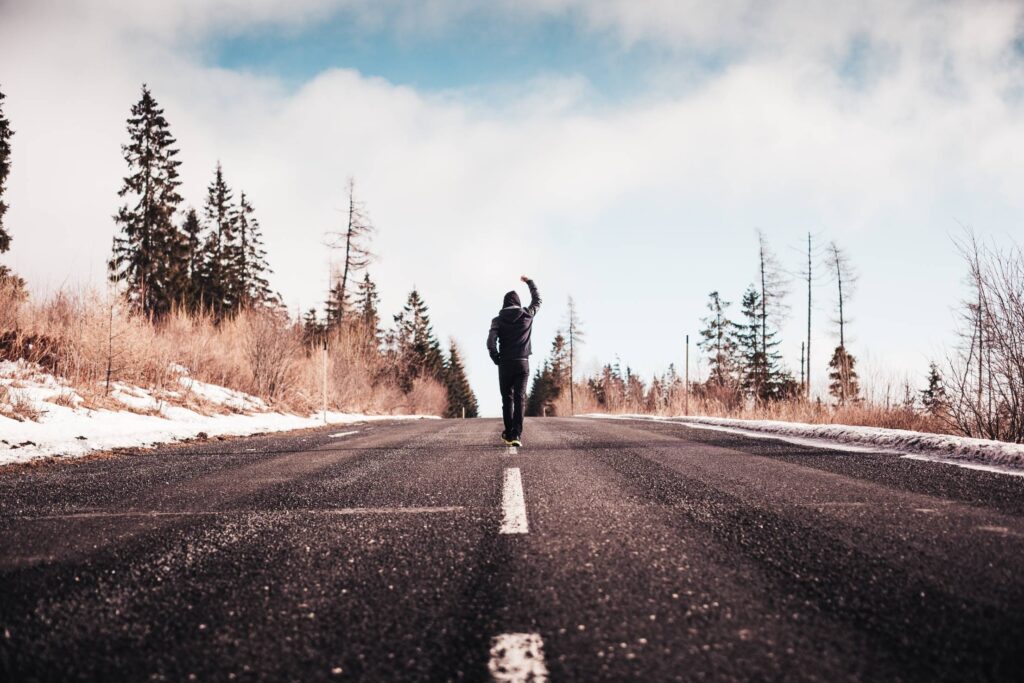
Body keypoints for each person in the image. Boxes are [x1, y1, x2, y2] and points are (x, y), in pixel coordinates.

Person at [487, 276, 541, 447]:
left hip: (505, 364)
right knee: (520, 398)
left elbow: (490, 342)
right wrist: (529, 282)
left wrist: (496, 358)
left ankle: (509, 433)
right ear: (518, 303)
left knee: (507, 399)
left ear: (504, 304)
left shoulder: (497, 320)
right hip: (522, 362)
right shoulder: (527, 314)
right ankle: (516, 434)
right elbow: (538, 300)